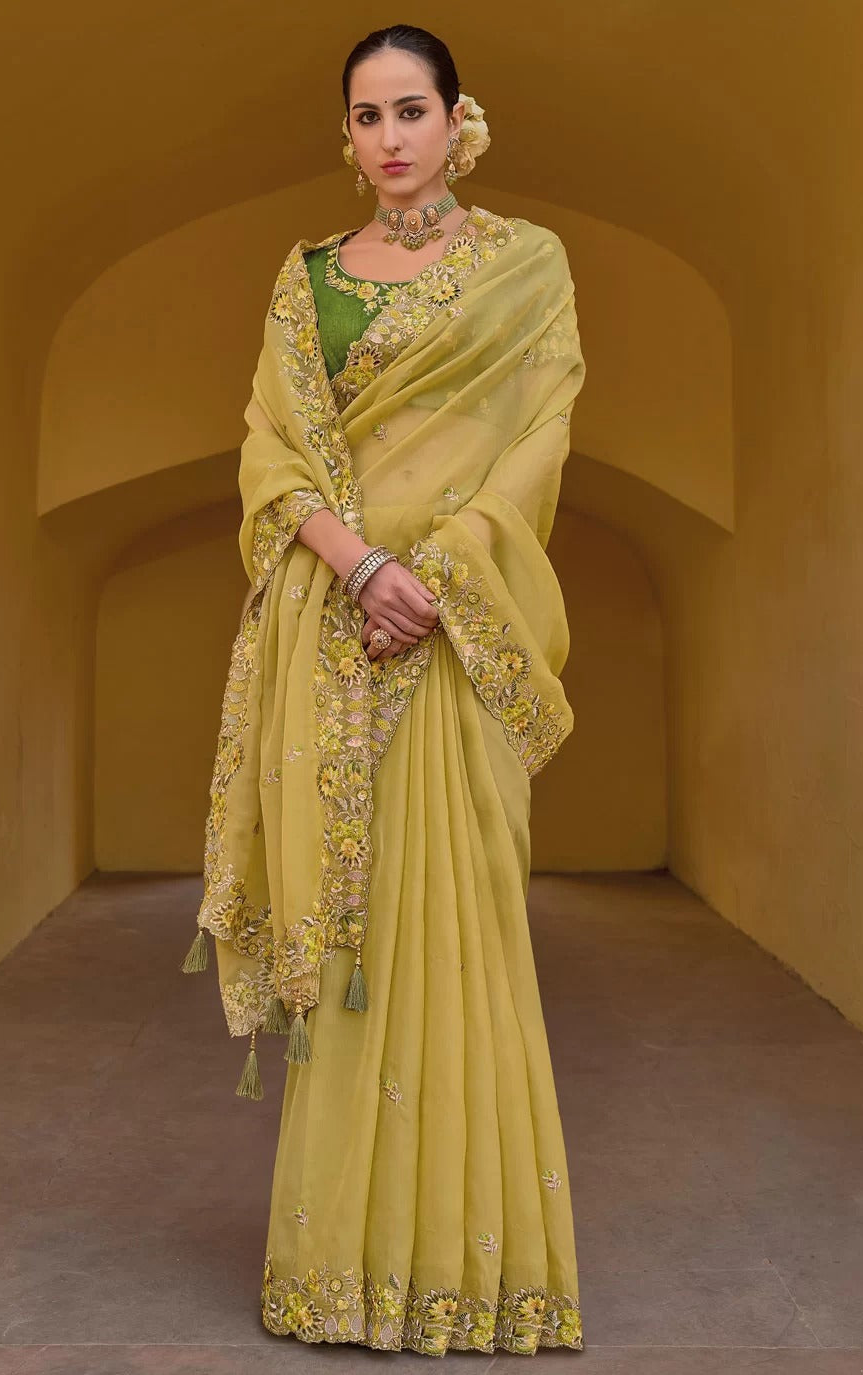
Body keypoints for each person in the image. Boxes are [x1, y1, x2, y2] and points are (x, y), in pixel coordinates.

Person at [180, 22, 587, 1357]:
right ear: (348, 139)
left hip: (456, 642)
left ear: (460, 116)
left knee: (464, 935)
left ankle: (477, 1275)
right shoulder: (304, 286)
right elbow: (268, 452)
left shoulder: (527, 271)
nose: (391, 137)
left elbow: (539, 437)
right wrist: (360, 570)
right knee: (344, 947)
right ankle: (336, 1272)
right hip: (335, 637)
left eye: (412, 108)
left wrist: (447, 571)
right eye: (367, 116)